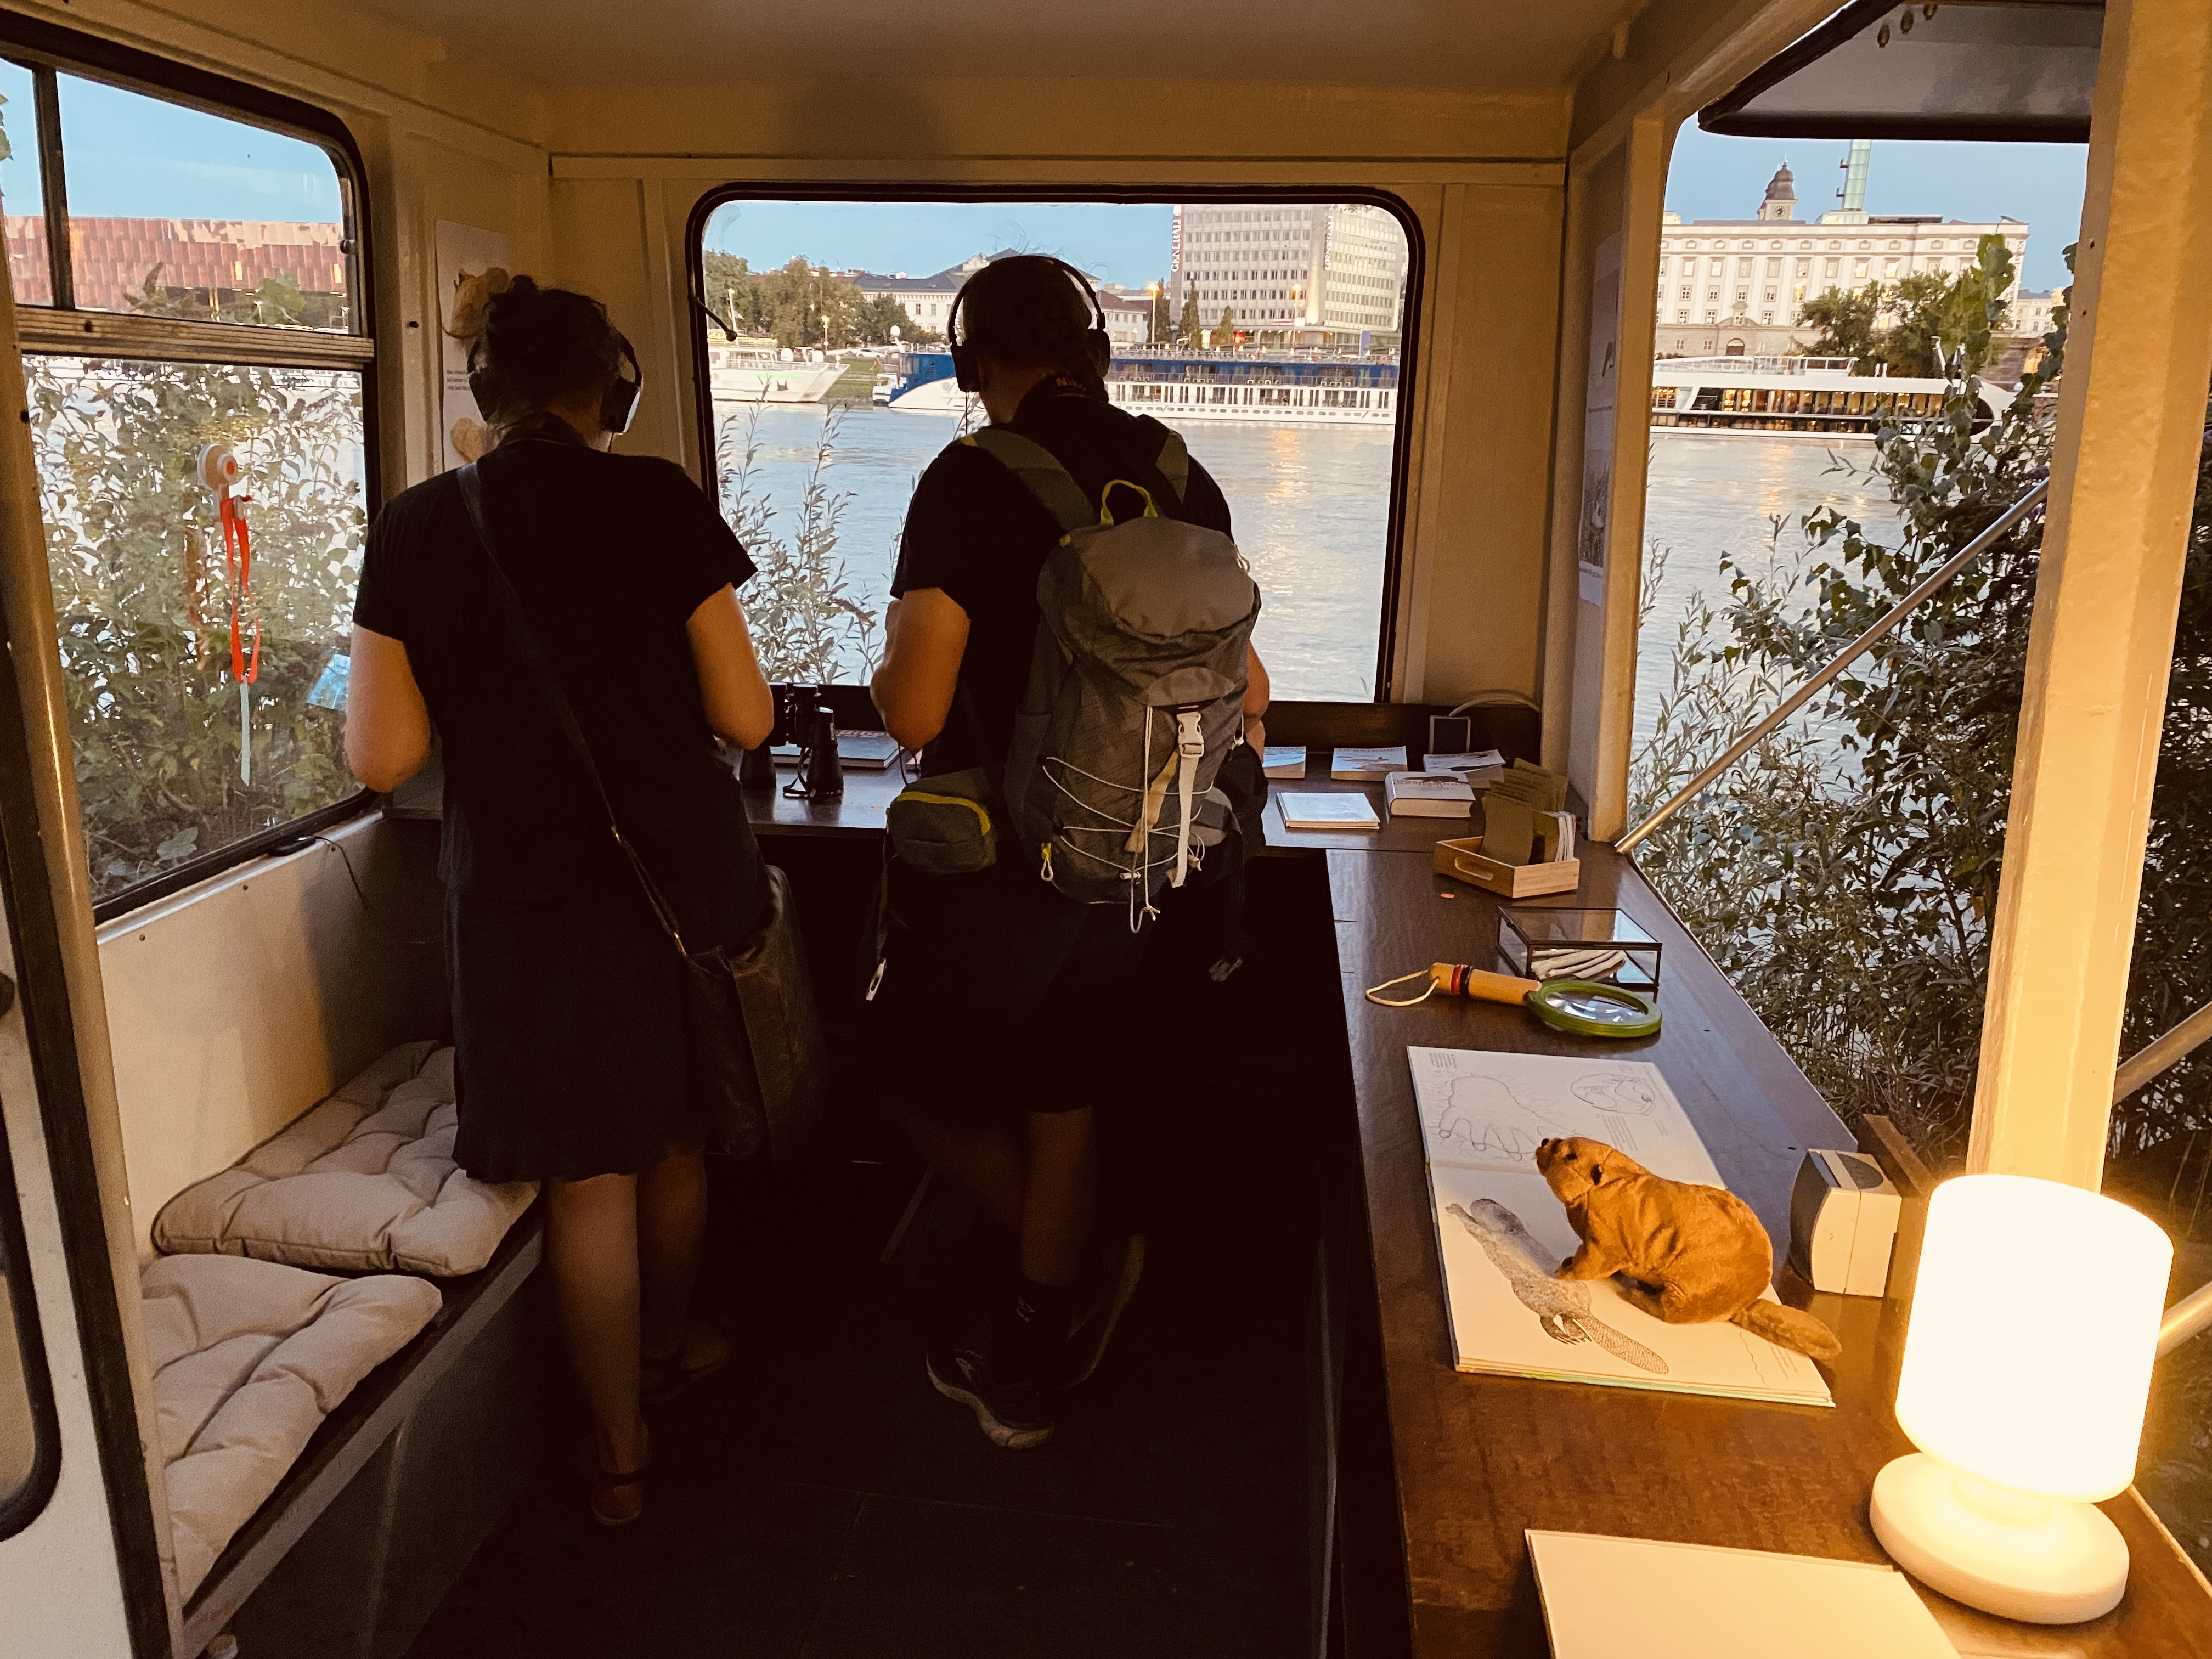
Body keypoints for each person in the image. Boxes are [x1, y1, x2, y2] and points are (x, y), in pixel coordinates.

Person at [344, 277, 776, 1526]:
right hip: (673, 886)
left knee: (589, 1178)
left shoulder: (419, 524)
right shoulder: (659, 500)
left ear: (485, 393)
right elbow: (745, 716)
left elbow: (383, 756)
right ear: (612, 391)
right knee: (674, 1141)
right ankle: (667, 1352)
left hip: (522, 903)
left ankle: (619, 1457)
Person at [870, 255, 1269, 1450]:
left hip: (1003, 865)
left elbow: (914, 711)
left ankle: (1077, 1266)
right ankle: (1037, 1332)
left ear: (975, 360)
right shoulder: (1180, 473)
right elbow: (1248, 690)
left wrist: (886, 671)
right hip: (1144, 857)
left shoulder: (966, 480)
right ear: (1093, 352)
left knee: (919, 1093)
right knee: (1065, 1095)